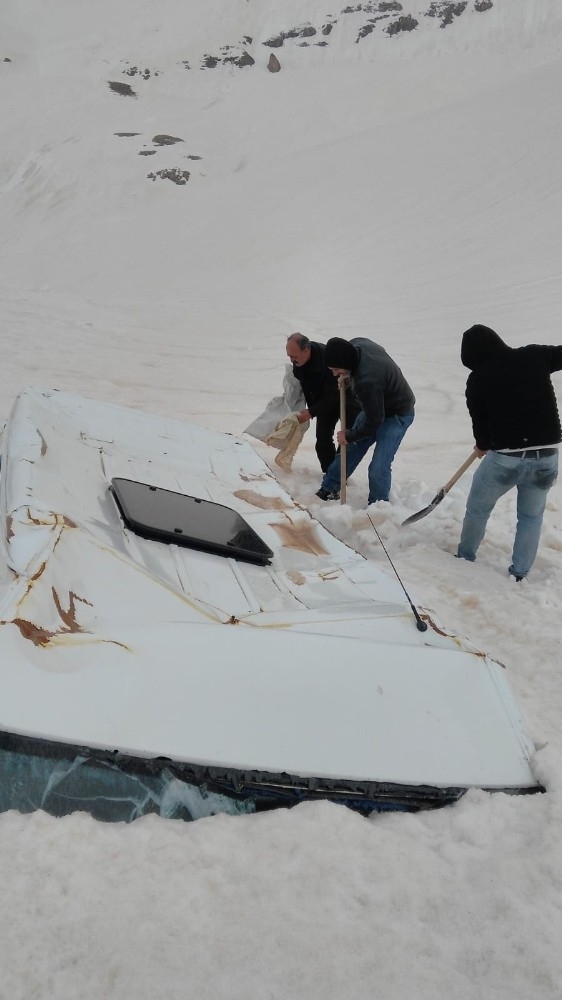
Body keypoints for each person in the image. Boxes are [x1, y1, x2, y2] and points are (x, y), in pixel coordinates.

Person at [457, 324, 561, 580]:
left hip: (506, 459)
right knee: (531, 517)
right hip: (547, 456)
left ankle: (465, 557)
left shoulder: (478, 379)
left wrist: (482, 444)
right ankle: (520, 572)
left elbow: (480, 423)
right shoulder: (535, 355)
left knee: (478, 508)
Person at [315, 337, 415, 504]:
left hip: (397, 414)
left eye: (336, 369)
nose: (334, 374)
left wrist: (349, 436)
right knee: (350, 451)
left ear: (346, 362)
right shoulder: (359, 345)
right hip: (375, 406)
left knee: (378, 466)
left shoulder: (367, 381)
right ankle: (329, 488)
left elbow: (374, 421)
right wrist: (348, 376)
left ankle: (378, 505)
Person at [286, 333, 359, 472]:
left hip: (347, 398)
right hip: (324, 402)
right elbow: (305, 389)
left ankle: (339, 476)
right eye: (289, 356)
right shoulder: (299, 363)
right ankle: (330, 473)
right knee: (322, 441)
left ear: (306, 350)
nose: (292, 360)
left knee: (346, 441)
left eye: (294, 356)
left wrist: (312, 412)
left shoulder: (327, 359)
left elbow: (334, 394)